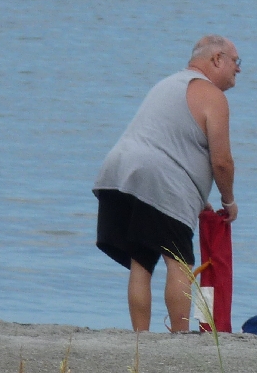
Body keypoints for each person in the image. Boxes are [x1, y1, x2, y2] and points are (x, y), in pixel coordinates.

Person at [94, 35, 240, 332]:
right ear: (217, 59)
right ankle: (180, 335)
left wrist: (200, 198)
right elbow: (222, 161)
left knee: (141, 261)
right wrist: (229, 201)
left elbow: (169, 143)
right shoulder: (212, 96)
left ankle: (140, 337)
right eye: (236, 62)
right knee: (180, 262)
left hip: (119, 173)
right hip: (160, 182)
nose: (239, 70)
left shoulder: (167, 84)